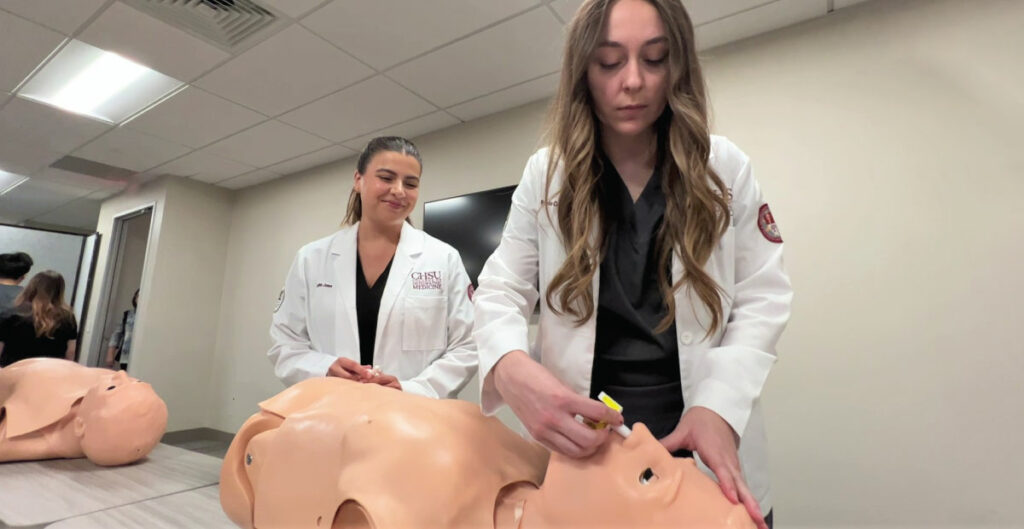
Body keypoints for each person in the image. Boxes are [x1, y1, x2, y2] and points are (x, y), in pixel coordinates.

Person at [471, 1, 793, 528]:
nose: (635, 81)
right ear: (583, 71)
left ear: (678, 65)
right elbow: (500, 289)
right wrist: (510, 369)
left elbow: (763, 296)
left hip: (704, 436)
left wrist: (719, 408)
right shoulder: (546, 176)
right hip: (591, 446)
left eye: (656, 58)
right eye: (609, 62)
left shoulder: (724, 167)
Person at [219, 377, 754, 529]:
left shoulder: (418, 504)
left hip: (267, 450)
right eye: (669, 459)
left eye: (646, 476)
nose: (639, 432)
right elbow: (498, 296)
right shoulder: (524, 459)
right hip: (304, 409)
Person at [269, 136, 477, 398]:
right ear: (358, 180)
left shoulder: (443, 258)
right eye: (387, 178)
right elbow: (285, 343)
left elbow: (469, 344)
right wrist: (324, 368)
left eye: (410, 183)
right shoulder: (312, 258)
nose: (399, 190)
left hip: (414, 415)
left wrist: (414, 388)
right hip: (332, 409)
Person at [0, 357, 167, 466]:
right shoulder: (104, 385)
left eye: (111, 388)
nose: (121, 374)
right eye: (136, 381)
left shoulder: (53, 436)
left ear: (80, 426)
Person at [0, 270, 79, 367]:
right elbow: (70, 352)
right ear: (59, 291)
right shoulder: (67, 317)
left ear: (31, 287)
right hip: (50, 373)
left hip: (15, 371)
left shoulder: (11, 313)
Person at [105, 289, 139, 370]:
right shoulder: (127, 315)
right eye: (138, 296)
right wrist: (110, 354)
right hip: (126, 357)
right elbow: (116, 335)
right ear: (135, 298)